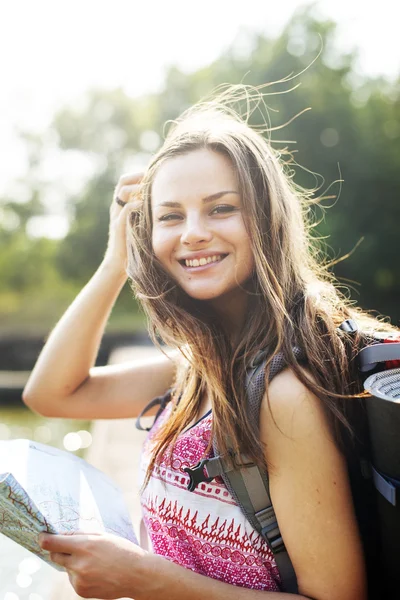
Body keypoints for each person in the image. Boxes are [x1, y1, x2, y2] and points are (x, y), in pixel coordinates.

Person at [23, 85, 396, 600]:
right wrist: (116, 262)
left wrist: (141, 577)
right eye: (170, 216)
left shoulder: (282, 393)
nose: (192, 233)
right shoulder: (201, 368)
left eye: (221, 209)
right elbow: (52, 395)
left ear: (266, 218)